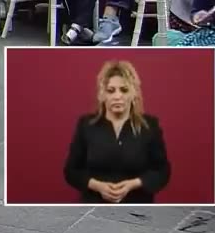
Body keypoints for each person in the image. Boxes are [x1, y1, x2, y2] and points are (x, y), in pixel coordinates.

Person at [63, 60, 170, 204]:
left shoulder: (149, 126)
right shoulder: (86, 125)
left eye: (124, 90)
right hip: (93, 202)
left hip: (138, 205)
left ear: (134, 94)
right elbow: (71, 171)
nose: (117, 96)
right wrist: (97, 186)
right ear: (102, 95)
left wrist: (134, 184)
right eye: (111, 90)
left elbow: (162, 171)